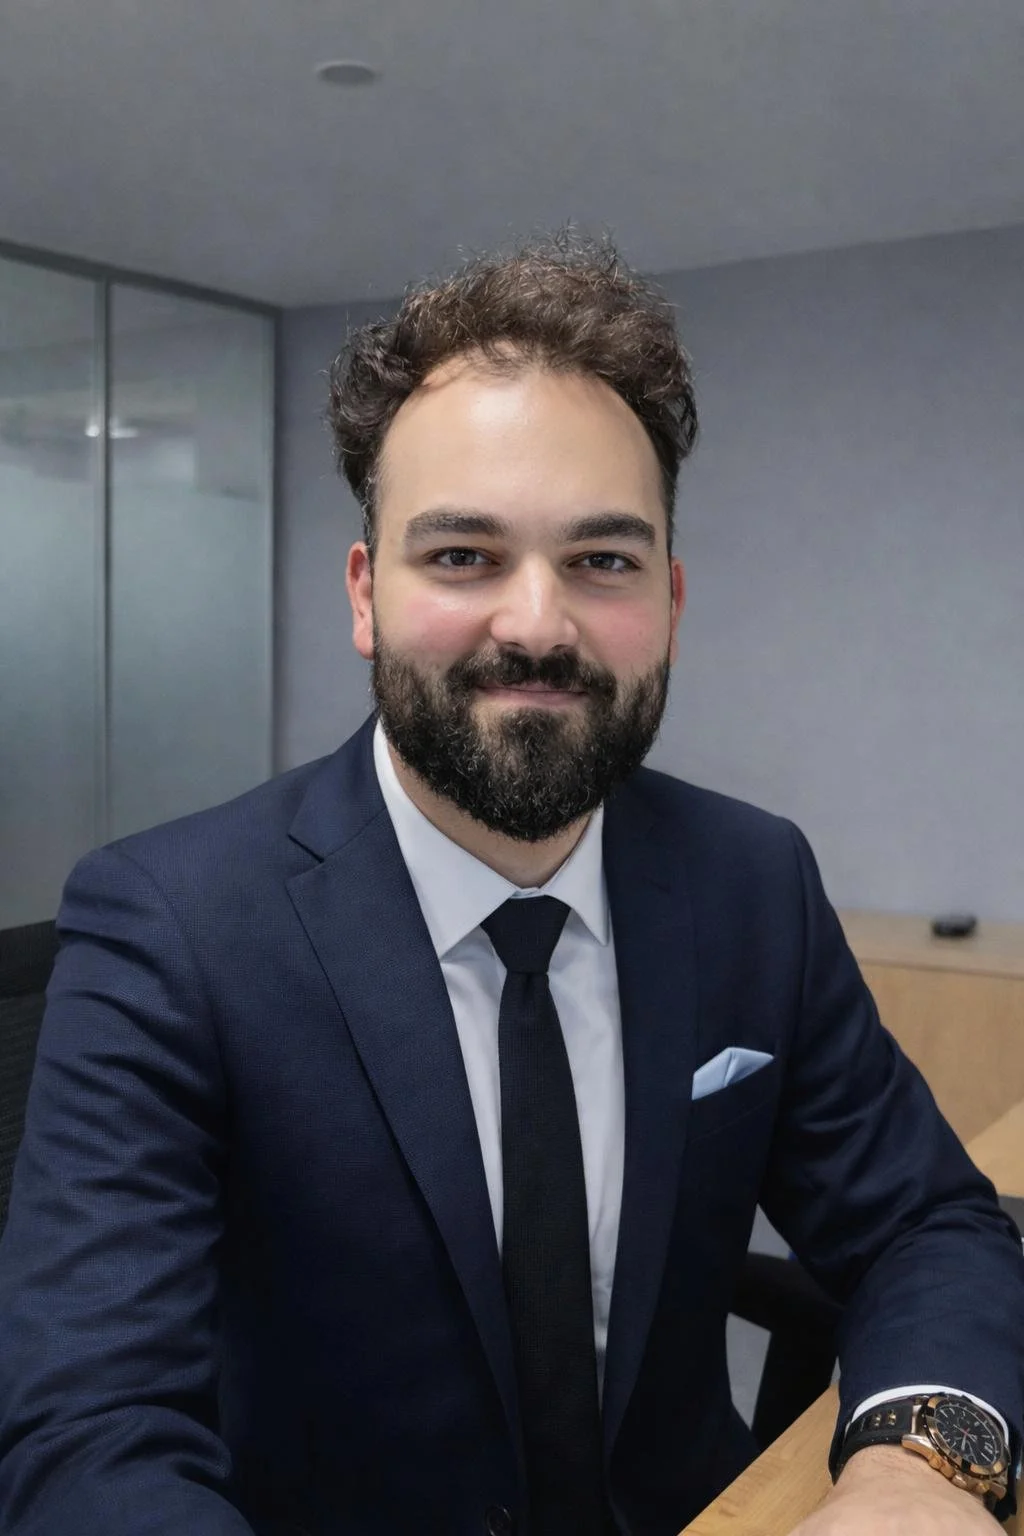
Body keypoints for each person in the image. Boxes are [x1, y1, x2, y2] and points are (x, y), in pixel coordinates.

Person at [0, 233, 1021, 1536]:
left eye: (603, 560)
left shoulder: (749, 880)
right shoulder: (170, 927)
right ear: (366, 594)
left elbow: (928, 1225)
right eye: (464, 556)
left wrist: (915, 1466)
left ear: (671, 599)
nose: (537, 625)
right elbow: (88, 1439)